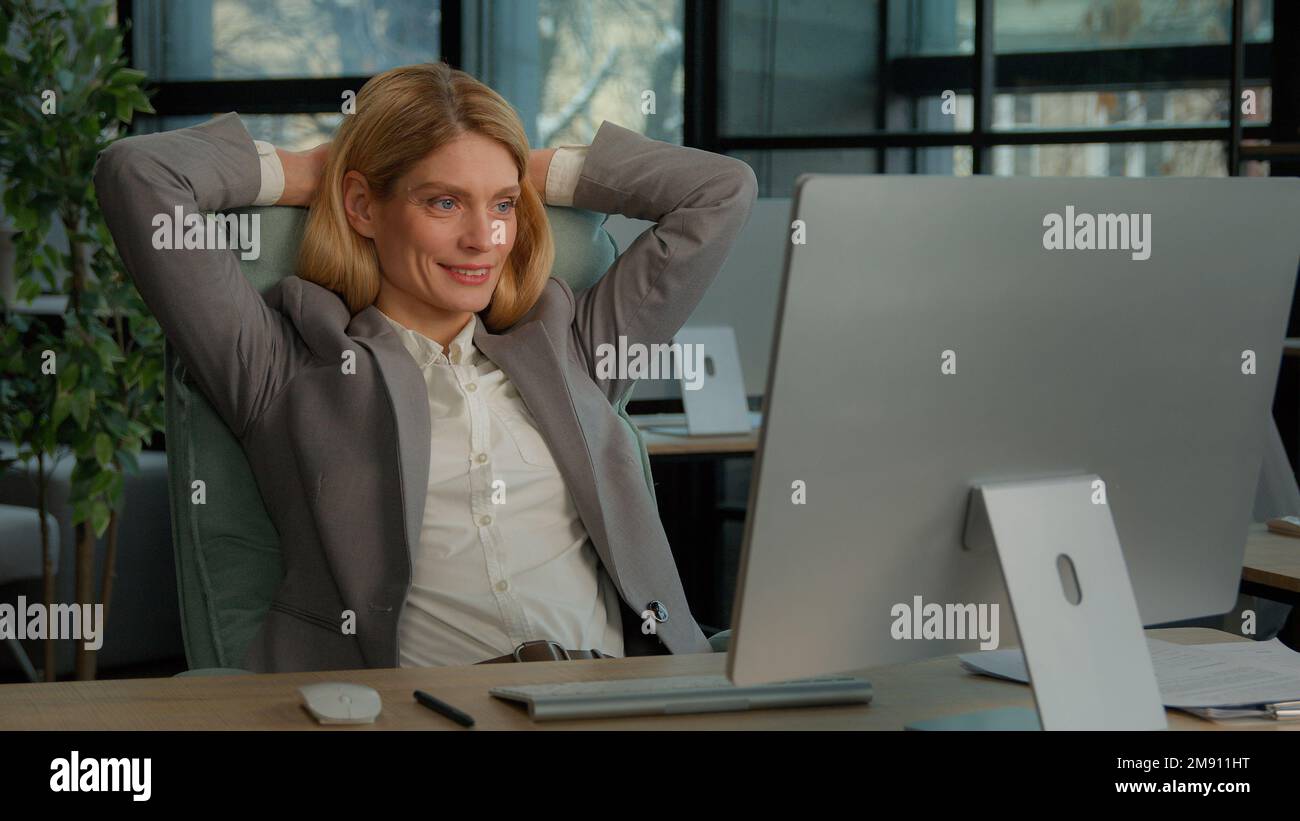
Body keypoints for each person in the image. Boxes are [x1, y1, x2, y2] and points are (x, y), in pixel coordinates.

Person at [92, 61, 757, 673]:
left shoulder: (571, 344)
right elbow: (138, 176)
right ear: (362, 207)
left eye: (502, 206)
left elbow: (721, 192)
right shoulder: (282, 365)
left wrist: (523, 169)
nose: (484, 239)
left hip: (617, 698)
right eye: (444, 202)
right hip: (432, 709)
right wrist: (315, 174)